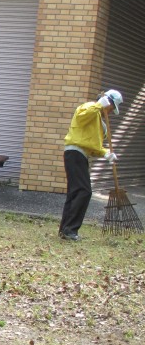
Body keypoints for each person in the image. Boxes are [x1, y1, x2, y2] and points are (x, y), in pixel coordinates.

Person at [59, 89, 122, 241]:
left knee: (75, 192)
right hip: (74, 153)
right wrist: (98, 105)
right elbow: (81, 117)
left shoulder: (100, 123)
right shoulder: (88, 107)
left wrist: (106, 153)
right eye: (112, 107)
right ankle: (70, 230)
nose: (112, 110)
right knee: (84, 191)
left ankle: (65, 230)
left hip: (81, 155)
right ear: (108, 102)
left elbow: (93, 146)